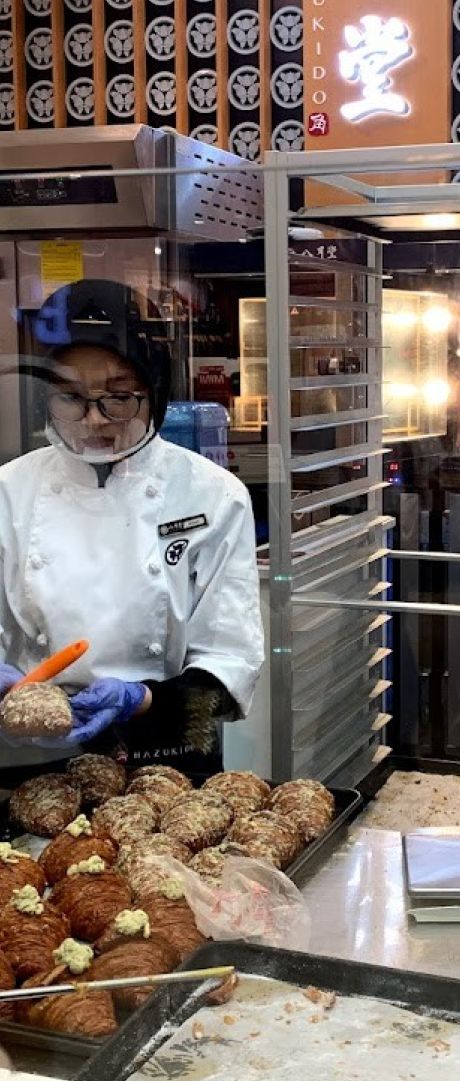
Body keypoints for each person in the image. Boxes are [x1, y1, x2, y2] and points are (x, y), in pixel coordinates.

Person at [0, 279, 264, 773]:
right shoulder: (9, 491)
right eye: (70, 397)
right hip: (36, 748)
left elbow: (230, 662)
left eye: (119, 397)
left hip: (168, 749)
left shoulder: (211, 494)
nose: (94, 420)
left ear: (155, 392)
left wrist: (140, 701)